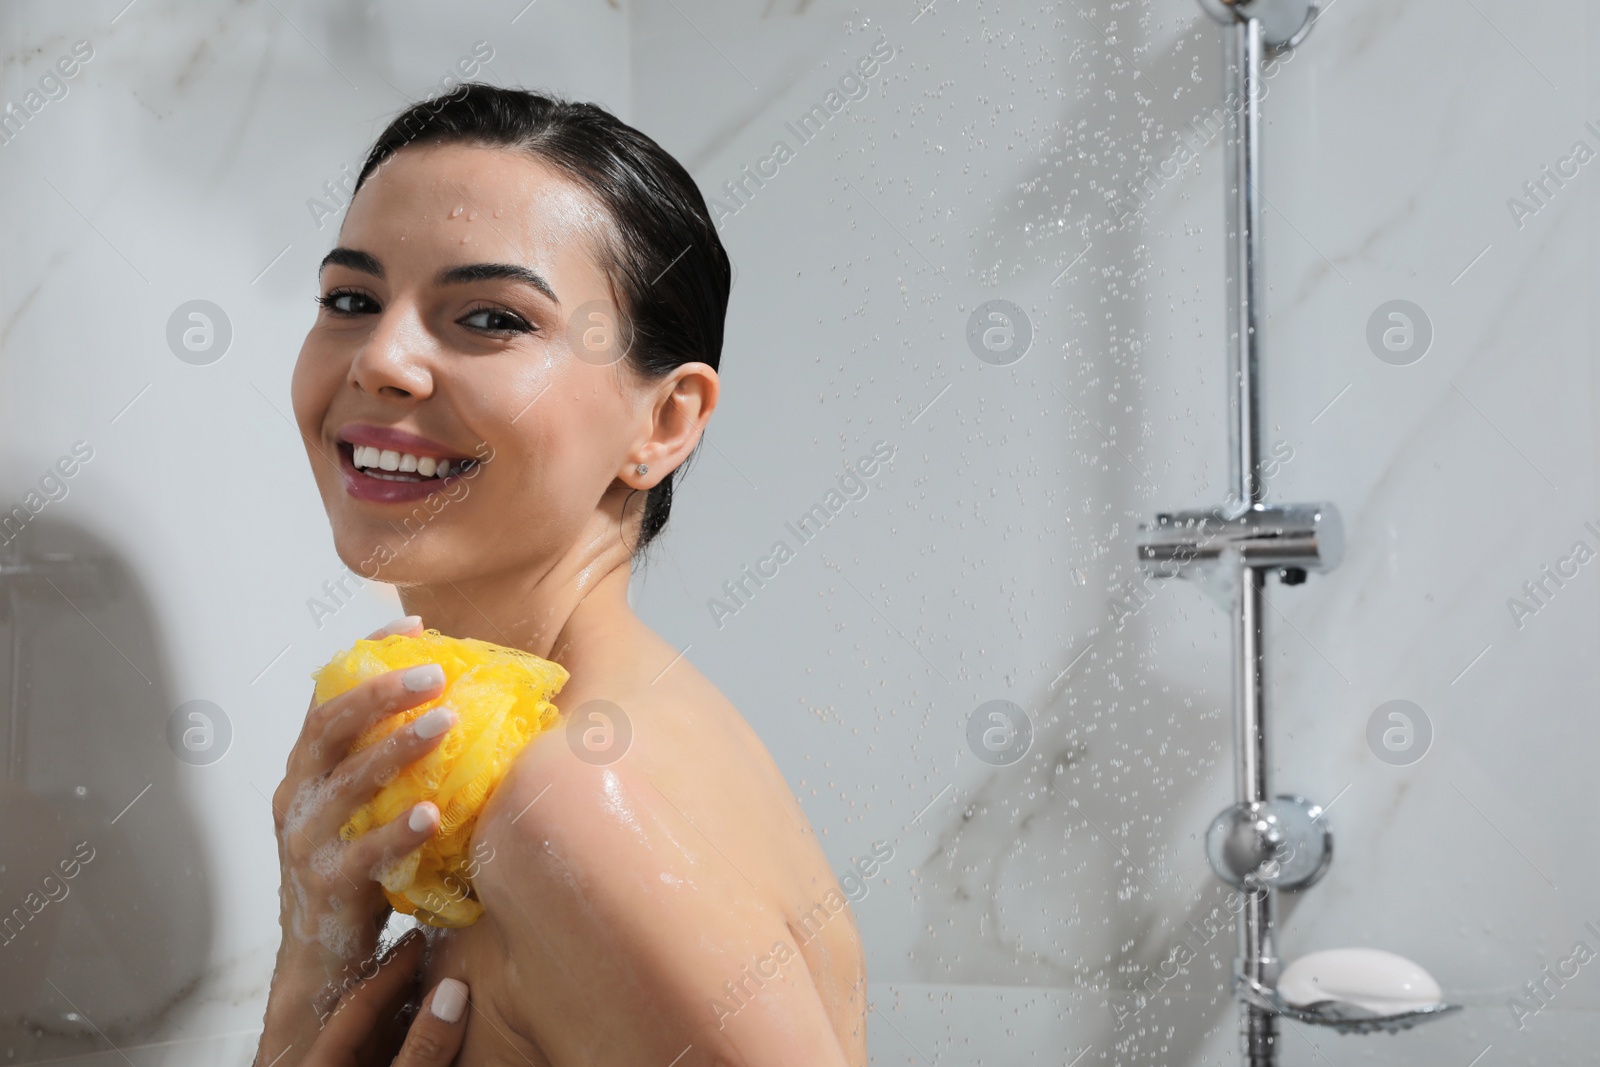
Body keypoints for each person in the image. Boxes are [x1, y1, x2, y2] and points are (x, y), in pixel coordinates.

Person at [254, 84, 866, 1066]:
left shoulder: (575, 806)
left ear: (662, 423)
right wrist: (311, 958)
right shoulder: (528, 767)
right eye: (351, 300)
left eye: (490, 316)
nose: (381, 357)